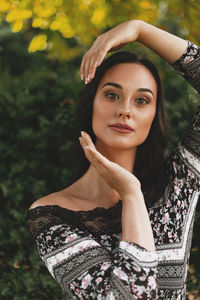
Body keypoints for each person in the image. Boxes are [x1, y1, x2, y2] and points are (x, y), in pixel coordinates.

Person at [26, 20, 200, 299]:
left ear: (154, 116)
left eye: (141, 100)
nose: (125, 110)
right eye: (112, 94)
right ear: (91, 103)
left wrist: (141, 30)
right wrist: (131, 195)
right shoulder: (51, 216)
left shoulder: (177, 185)